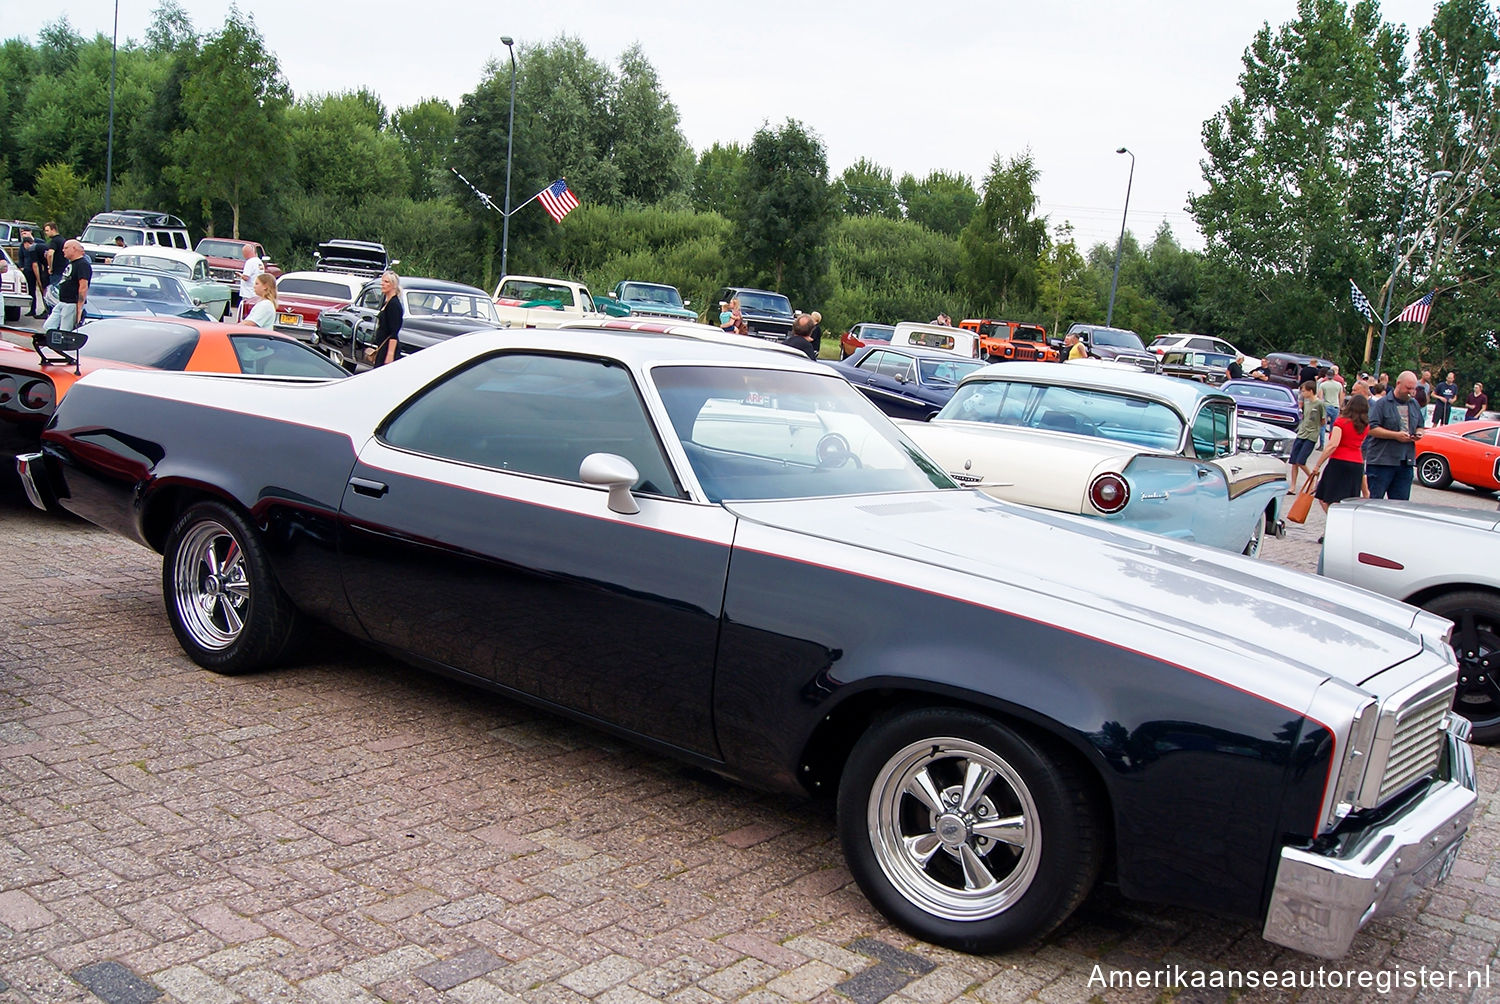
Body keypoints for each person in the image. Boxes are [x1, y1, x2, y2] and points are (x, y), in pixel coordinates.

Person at [1363, 370, 1425, 500]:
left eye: (1413, 389)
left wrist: (1419, 433)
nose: (1411, 392)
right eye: (1408, 388)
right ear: (1398, 383)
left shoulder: (1414, 404)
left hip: (1405, 462)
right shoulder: (1382, 404)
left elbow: (1420, 425)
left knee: (1399, 506)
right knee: (1374, 502)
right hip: (1382, 462)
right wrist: (1395, 435)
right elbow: (1371, 428)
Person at [1312, 393, 1370, 513]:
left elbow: (1333, 445)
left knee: (1325, 497)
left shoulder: (1341, 422)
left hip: (1339, 462)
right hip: (1357, 463)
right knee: (1347, 501)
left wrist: (1318, 464)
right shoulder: (1365, 426)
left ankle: (1334, 522)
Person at [39, 239, 91, 346]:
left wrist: (79, 308)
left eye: (66, 248)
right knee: (48, 326)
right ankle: (49, 345)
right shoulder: (71, 264)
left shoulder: (82, 265)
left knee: (64, 331)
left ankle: (61, 350)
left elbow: (83, 286)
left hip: (71, 304)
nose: (63, 250)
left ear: (74, 248)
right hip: (62, 302)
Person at [1286, 380, 1326, 494]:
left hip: (1311, 435)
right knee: (1294, 461)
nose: (1302, 394)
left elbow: (1323, 420)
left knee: (1301, 461)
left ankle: (1312, 479)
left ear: (1310, 391)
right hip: (1301, 433)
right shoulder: (1306, 403)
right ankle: (1292, 486)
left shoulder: (1319, 404)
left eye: (1304, 391)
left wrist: (1316, 428)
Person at [369, 270, 403, 367]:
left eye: (386, 282)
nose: (382, 284)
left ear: (393, 285)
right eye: (382, 281)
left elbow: (394, 332)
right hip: (382, 347)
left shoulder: (394, 304)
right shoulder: (386, 302)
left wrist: (390, 354)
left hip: (388, 348)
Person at [18, 230, 45, 316]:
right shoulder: (22, 245)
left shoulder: (39, 242)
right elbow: (21, 257)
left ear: (30, 232)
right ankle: (32, 309)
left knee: (43, 288)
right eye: (22, 234)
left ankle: (46, 308)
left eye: (25, 233)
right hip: (28, 269)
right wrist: (22, 266)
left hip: (39, 268)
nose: (23, 235)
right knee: (31, 289)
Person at [1316, 366, 1343, 447]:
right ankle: (1331, 443)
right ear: (1334, 375)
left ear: (1327, 376)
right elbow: (1341, 396)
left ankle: (1322, 444)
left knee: (1323, 426)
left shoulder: (1323, 385)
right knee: (1334, 427)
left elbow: (1320, 397)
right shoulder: (1339, 385)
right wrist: (1340, 406)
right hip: (1335, 406)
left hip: (1326, 406)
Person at [238, 243, 265, 315]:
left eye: (243, 253)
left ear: (246, 253)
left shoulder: (250, 262)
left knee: (246, 314)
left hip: (248, 294)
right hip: (257, 293)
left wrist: (240, 275)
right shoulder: (259, 262)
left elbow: (246, 277)